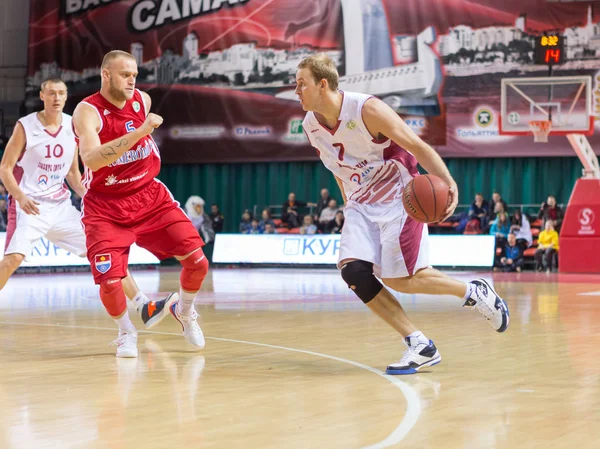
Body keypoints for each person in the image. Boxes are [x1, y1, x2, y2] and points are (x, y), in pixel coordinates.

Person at [294, 53, 509, 375]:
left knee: (402, 280)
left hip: (399, 196)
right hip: (361, 203)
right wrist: (349, 203)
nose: (296, 91)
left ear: (322, 84)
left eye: (301, 84)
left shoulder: (367, 109)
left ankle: (474, 292)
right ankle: (419, 344)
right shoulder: (311, 124)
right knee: (354, 273)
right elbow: (336, 165)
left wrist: (449, 184)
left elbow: (417, 146)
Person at [0, 78, 173, 330]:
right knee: (11, 260)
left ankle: (143, 305)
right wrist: (20, 196)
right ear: (42, 96)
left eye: (61, 93)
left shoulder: (73, 124)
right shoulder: (25, 126)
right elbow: (5, 168)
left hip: (60, 207)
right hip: (30, 205)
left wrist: (94, 196)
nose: (56, 98)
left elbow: (73, 174)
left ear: (66, 96)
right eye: (51, 93)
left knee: (105, 250)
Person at [72, 51, 208, 357]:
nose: (132, 79)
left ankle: (184, 312)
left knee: (198, 263)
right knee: (109, 282)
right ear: (106, 74)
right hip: (105, 206)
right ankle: (126, 331)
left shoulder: (142, 101)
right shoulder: (88, 112)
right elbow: (91, 158)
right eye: (124, 74)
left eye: (134, 74)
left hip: (149, 197)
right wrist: (143, 131)